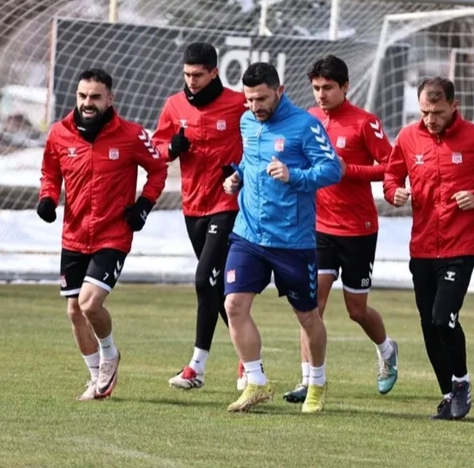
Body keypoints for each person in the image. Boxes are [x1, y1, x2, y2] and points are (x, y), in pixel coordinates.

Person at [383, 77, 474, 420]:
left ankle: (461, 382)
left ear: (454, 106)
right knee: (429, 324)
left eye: (438, 112)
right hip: (422, 246)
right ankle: (448, 394)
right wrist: (394, 193)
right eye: (424, 112)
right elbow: (391, 176)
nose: (430, 119)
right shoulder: (408, 138)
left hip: (460, 246)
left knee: (443, 318)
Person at [37, 68, 168, 400]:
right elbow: (50, 171)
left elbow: (158, 170)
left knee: (89, 304)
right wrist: (48, 198)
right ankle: (97, 379)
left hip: (113, 235)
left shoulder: (131, 134)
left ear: (110, 99)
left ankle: (110, 354)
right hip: (74, 234)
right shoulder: (59, 133)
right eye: (82, 96)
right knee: (74, 311)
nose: (87, 102)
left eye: (95, 97)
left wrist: (143, 205)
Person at [221, 62, 342, 414]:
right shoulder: (247, 122)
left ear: (280, 91)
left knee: (307, 317)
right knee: (233, 306)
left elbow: (332, 169)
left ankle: (316, 382)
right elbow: (251, 162)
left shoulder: (305, 125)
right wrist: (237, 178)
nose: (254, 106)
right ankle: (256, 380)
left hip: (292, 240)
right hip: (248, 234)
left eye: (261, 99)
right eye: (249, 100)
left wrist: (294, 175)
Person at [278, 55, 398, 404]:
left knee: (356, 310)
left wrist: (350, 170)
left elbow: (392, 166)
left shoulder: (364, 123)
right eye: (316, 88)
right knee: (311, 306)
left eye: (328, 87)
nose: (321, 94)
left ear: (345, 86)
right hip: (318, 228)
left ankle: (387, 350)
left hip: (358, 229)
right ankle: (309, 380)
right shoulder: (308, 119)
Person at [152, 42, 248, 391]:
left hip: (227, 205)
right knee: (216, 287)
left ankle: (197, 366)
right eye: (187, 74)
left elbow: (260, 137)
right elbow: (157, 148)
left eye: (198, 75)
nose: (191, 80)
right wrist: (170, 148)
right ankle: (249, 358)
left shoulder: (238, 104)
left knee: (203, 278)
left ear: (214, 72)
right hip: (192, 206)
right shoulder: (174, 105)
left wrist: (239, 169)